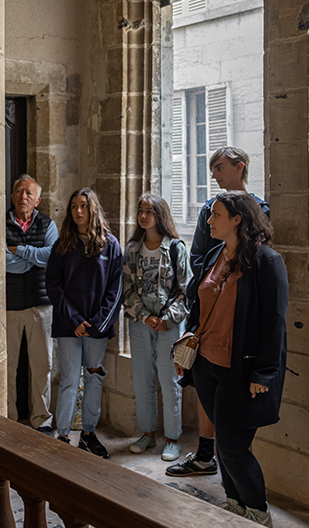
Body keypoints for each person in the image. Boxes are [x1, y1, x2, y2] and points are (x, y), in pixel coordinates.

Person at [179, 191, 288, 526]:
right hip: (207, 364)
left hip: (241, 369)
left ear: (237, 219)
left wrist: (264, 374)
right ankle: (235, 504)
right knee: (224, 446)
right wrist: (190, 334)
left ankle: (258, 511)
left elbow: (275, 323)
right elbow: (200, 303)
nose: (209, 221)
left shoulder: (266, 261)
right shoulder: (216, 253)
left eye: (216, 215)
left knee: (232, 448)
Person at [169, 146, 269, 478]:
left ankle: (234, 464)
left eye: (220, 167)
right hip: (209, 304)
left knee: (233, 396)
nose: (214, 174)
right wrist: (210, 284)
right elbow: (199, 254)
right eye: (212, 167)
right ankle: (204, 453)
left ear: (240, 167)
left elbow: (262, 258)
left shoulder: (260, 207)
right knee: (203, 380)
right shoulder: (208, 210)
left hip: (240, 316)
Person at [46, 188, 122, 458]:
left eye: (83, 206)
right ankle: (63, 435)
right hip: (69, 325)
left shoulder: (110, 245)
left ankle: (88, 433)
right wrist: (76, 320)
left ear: (93, 209)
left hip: (97, 328)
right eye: (74, 206)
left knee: (93, 378)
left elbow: (115, 290)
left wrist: (97, 324)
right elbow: (54, 287)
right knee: (68, 379)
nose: (78, 211)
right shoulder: (63, 244)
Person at [122, 193, 192, 461]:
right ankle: (148, 433)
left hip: (169, 326)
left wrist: (167, 319)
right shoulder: (132, 249)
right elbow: (126, 288)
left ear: (159, 215)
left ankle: (172, 438)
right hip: (140, 324)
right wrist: (145, 316)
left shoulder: (176, 248)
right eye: (140, 210)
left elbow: (187, 292)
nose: (143, 215)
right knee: (142, 379)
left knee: (169, 379)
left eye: (149, 211)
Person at [4, 174, 58, 433]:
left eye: (28, 193)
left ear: (37, 200)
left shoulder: (48, 225)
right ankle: (8, 418)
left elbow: (52, 257)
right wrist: (33, 258)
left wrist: (19, 251)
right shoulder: (0, 224)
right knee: (7, 367)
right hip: (9, 305)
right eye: (18, 191)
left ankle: (42, 420)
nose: (22, 196)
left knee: (42, 367)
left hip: (41, 304)